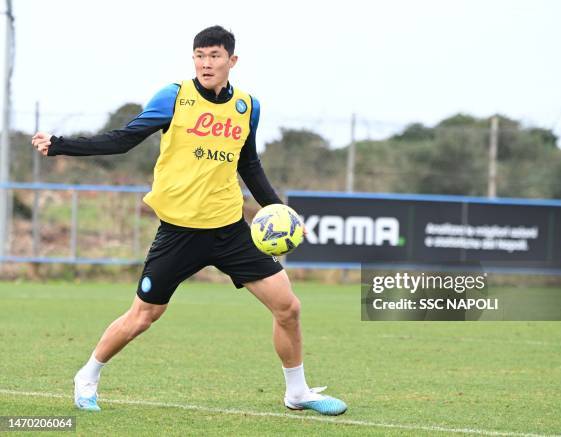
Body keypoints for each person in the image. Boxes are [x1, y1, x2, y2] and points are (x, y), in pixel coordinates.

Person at [31, 25, 346, 416]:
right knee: (144, 316)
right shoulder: (175, 97)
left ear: (232, 61)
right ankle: (88, 375)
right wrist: (61, 145)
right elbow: (124, 139)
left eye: (214, 56)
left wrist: (281, 212)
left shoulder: (248, 106)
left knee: (288, 307)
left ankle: (297, 393)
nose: (206, 64)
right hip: (179, 231)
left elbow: (249, 165)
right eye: (199, 56)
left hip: (230, 230)